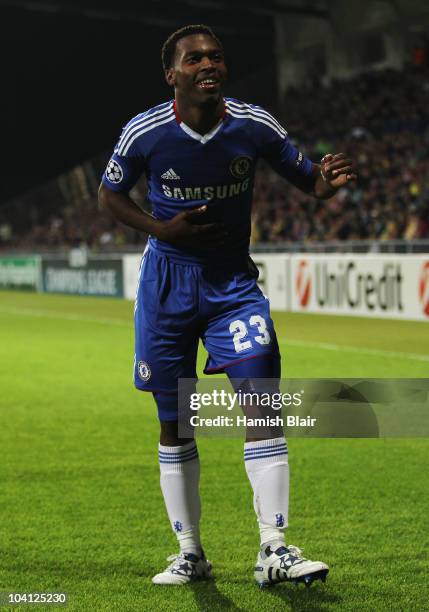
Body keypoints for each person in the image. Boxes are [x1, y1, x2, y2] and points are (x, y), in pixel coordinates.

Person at [98, 24, 356, 588]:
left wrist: (323, 186)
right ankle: (190, 553)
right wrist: (162, 227)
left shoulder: (253, 125)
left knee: (262, 404)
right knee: (176, 421)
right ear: (173, 74)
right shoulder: (145, 132)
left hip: (233, 287)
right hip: (166, 286)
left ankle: (275, 549)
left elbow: (306, 177)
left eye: (215, 56)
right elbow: (110, 194)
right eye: (194, 59)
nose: (208, 65)